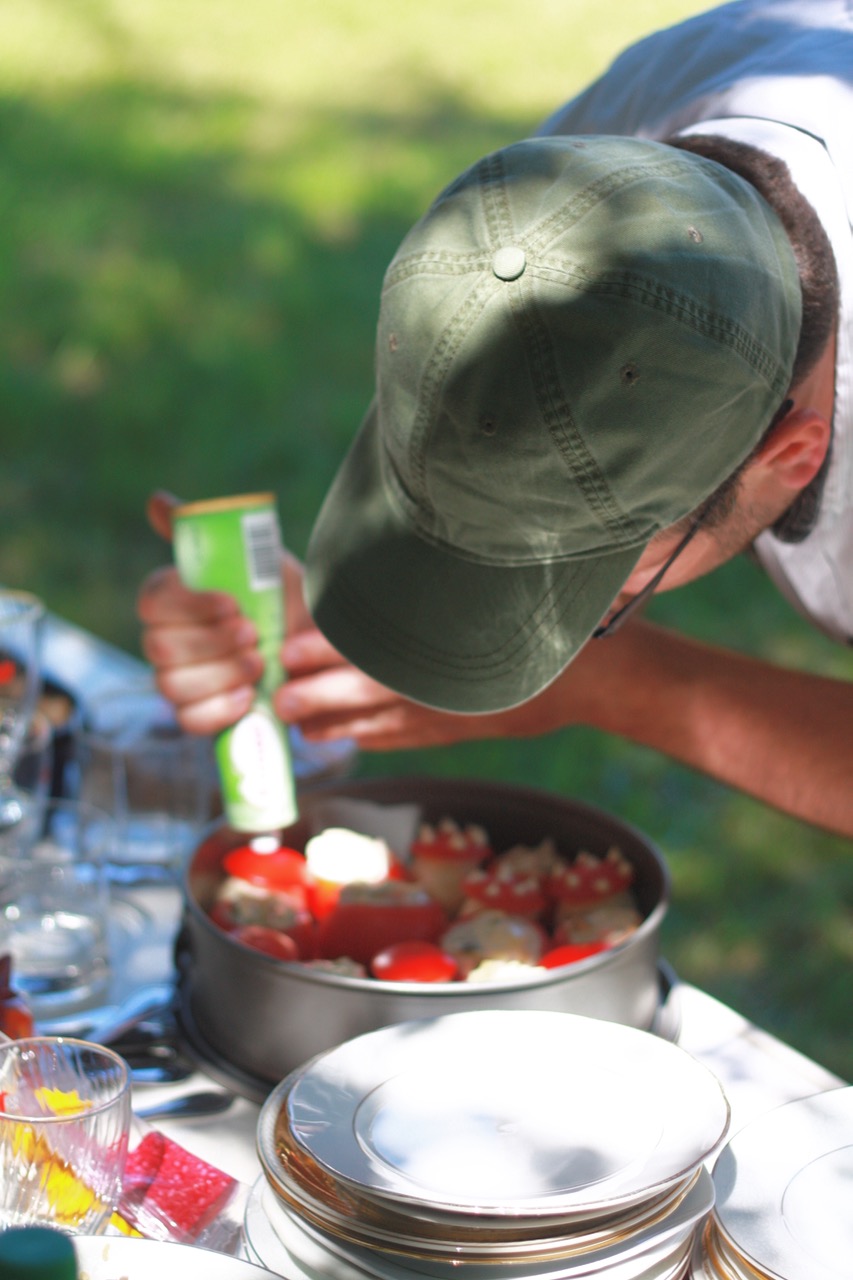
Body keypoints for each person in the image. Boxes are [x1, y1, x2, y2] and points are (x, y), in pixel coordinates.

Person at [138, 0, 853, 838]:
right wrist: (404, 588)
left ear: (791, 456)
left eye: (607, 586)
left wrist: (621, 683)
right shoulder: (583, 186)